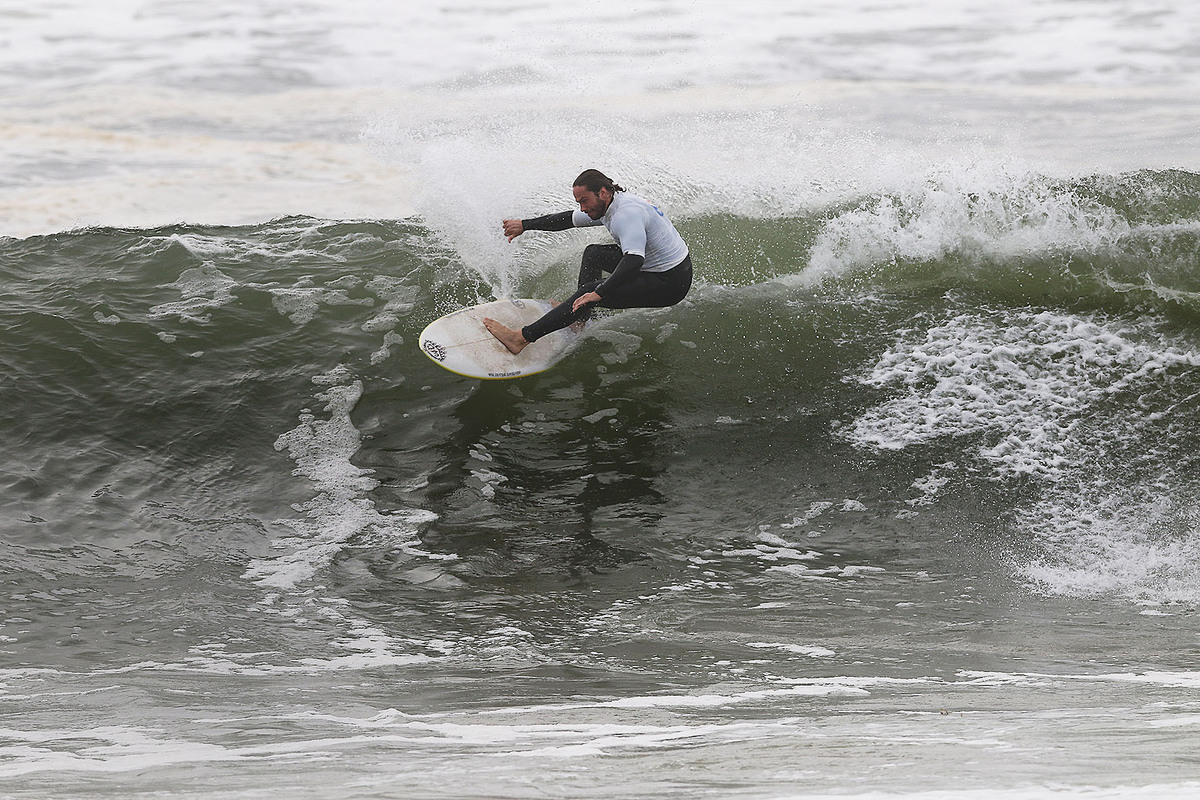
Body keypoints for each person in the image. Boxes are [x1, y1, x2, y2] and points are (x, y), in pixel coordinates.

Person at [483, 169, 693, 355]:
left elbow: (634, 260)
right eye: (579, 202)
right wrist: (525, 225)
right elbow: (568, 220)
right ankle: (580, 319)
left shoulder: (626, 214)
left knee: (590, 292)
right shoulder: (609, 203)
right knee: (594, 254)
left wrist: (599, 293)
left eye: (584, 201)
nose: (582, 208)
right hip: (658, 266)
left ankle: (521, 338)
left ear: (602, 192)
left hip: (670, 282)